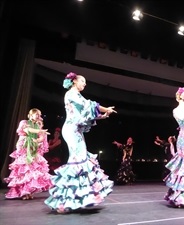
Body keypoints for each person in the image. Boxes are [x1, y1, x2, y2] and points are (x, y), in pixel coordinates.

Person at [44, 72, 116, 214]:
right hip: (71, 130)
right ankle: (63, 201)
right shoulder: (71, 94)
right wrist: (105, 108)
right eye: (82, 81)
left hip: (76, 130)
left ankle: (73, 199)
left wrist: (103, 115)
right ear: (75, 81)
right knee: (77, 161)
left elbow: (86, 112)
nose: (85, 84)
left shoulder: (77, 95)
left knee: (81, 160)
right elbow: (88, 105)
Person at [4, 108, 53, 200]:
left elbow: (41, 137)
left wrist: (38, 139)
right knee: (25, 169)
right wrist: (40, 131)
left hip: (33, 148)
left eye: (40, 115)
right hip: (24, 146)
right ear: (30, 115)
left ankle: (28, 192)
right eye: (37, 114)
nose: (39, 116)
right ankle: (23, 192)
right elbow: (28, 130)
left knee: (32, 170)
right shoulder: (24, 123)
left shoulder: (37, 125)